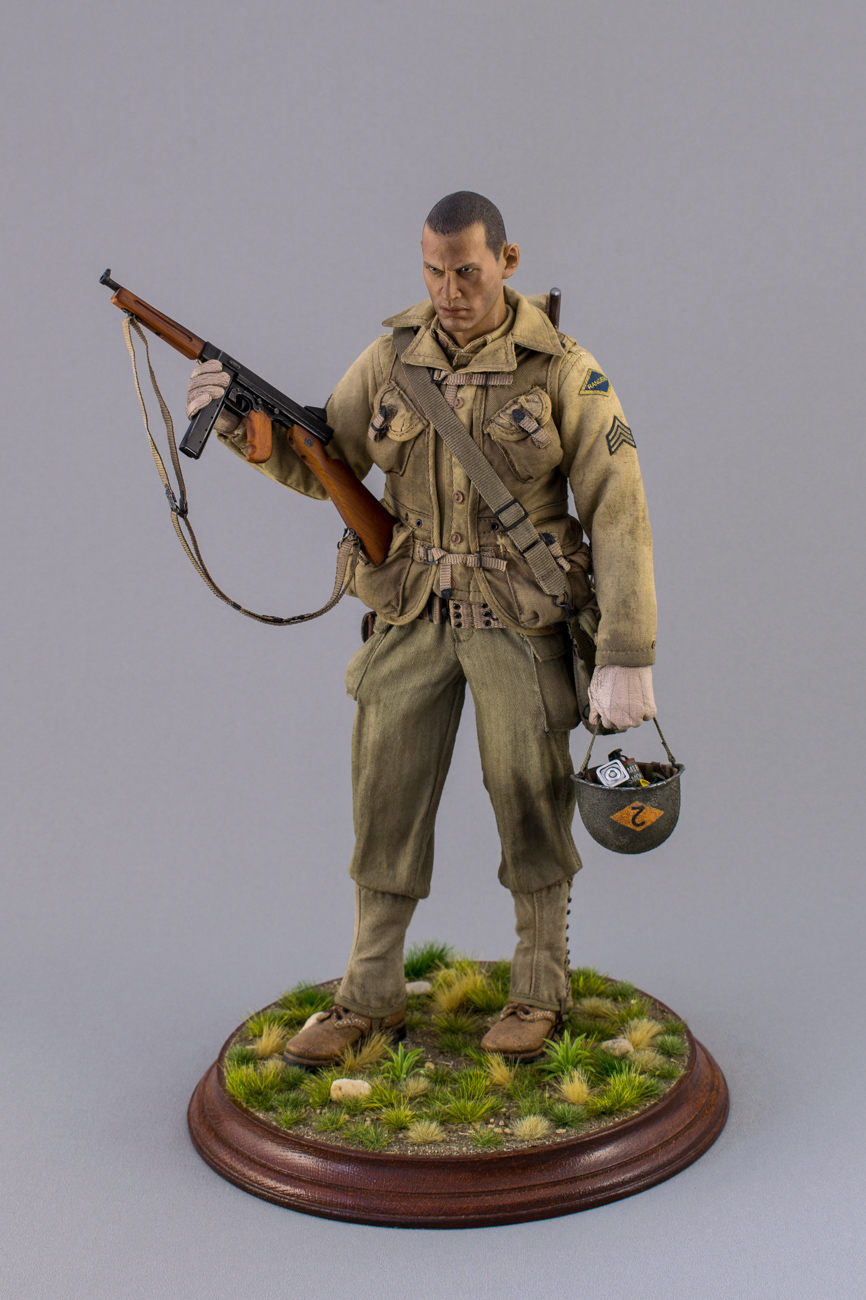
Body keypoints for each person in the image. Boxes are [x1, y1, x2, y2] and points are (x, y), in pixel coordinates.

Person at [186, 192, 657, 1064]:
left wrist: (626, 654)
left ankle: (539, 987)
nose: (448, 291)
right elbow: (323, 460)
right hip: (410, 611)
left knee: (528, 795)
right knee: (384, 797)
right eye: (434, 271)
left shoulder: (564, 370)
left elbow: (617, 507)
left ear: (506, 262)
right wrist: (233, 424)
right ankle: (368, 995)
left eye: (467, 271)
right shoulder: (392, 358)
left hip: (518, 618)